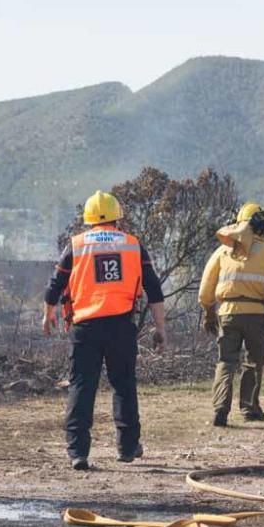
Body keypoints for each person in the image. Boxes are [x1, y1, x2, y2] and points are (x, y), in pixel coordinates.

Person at [43, 190, 167, 470]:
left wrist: (47, 314)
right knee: (123, 385)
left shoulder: (76, 245)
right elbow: (154, 290)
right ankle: (127, 447)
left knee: (81, 386)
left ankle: (78, 452)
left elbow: (55, 285)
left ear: (88, 220)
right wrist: (161, 328)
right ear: (117, 217)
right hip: (121, 326)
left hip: (85, 328)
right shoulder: (133, 245)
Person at [198, 202, 264, 427]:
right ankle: (250, 409)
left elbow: (205, 290)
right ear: (260, 226)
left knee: (226, 361)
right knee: (254, 361)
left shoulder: (223, 251)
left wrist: (208, 313)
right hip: (255, 315)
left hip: (226, 314)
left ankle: (220, 410)